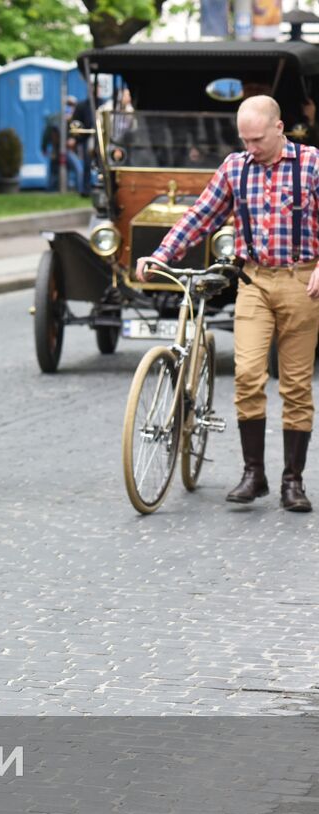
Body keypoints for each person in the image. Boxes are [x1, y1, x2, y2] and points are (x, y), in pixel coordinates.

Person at [137, 94, 319, 513]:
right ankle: (254, 474)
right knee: (248, 375)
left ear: (279, 128)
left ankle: (293, 481)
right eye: (244, 139)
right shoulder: (236, 168)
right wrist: (162, 254)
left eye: (257, 139)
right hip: (253, 280)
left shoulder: (309, 163)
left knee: (294, 385)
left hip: (301, 281)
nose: (250, 147)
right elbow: (199, 216)